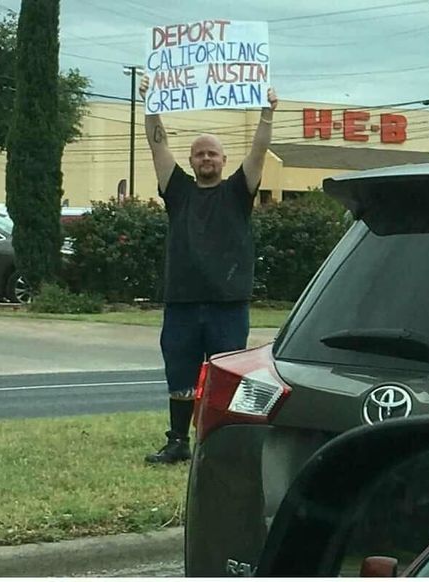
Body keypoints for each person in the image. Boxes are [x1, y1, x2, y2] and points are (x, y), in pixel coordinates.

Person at [140, 74, 278, 464]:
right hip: (182, 301)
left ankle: (223, 445)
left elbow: (259, 150)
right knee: (180, 375)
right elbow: (157, 148)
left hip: (227, 303)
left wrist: (267, 112)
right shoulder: (178, 191)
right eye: (199, 154)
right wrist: (151, 108)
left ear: (223, 160)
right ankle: (178, 442)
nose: (206, 159)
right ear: (191, 161)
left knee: (227, 378)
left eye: (212, 154)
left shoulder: (238, 191)